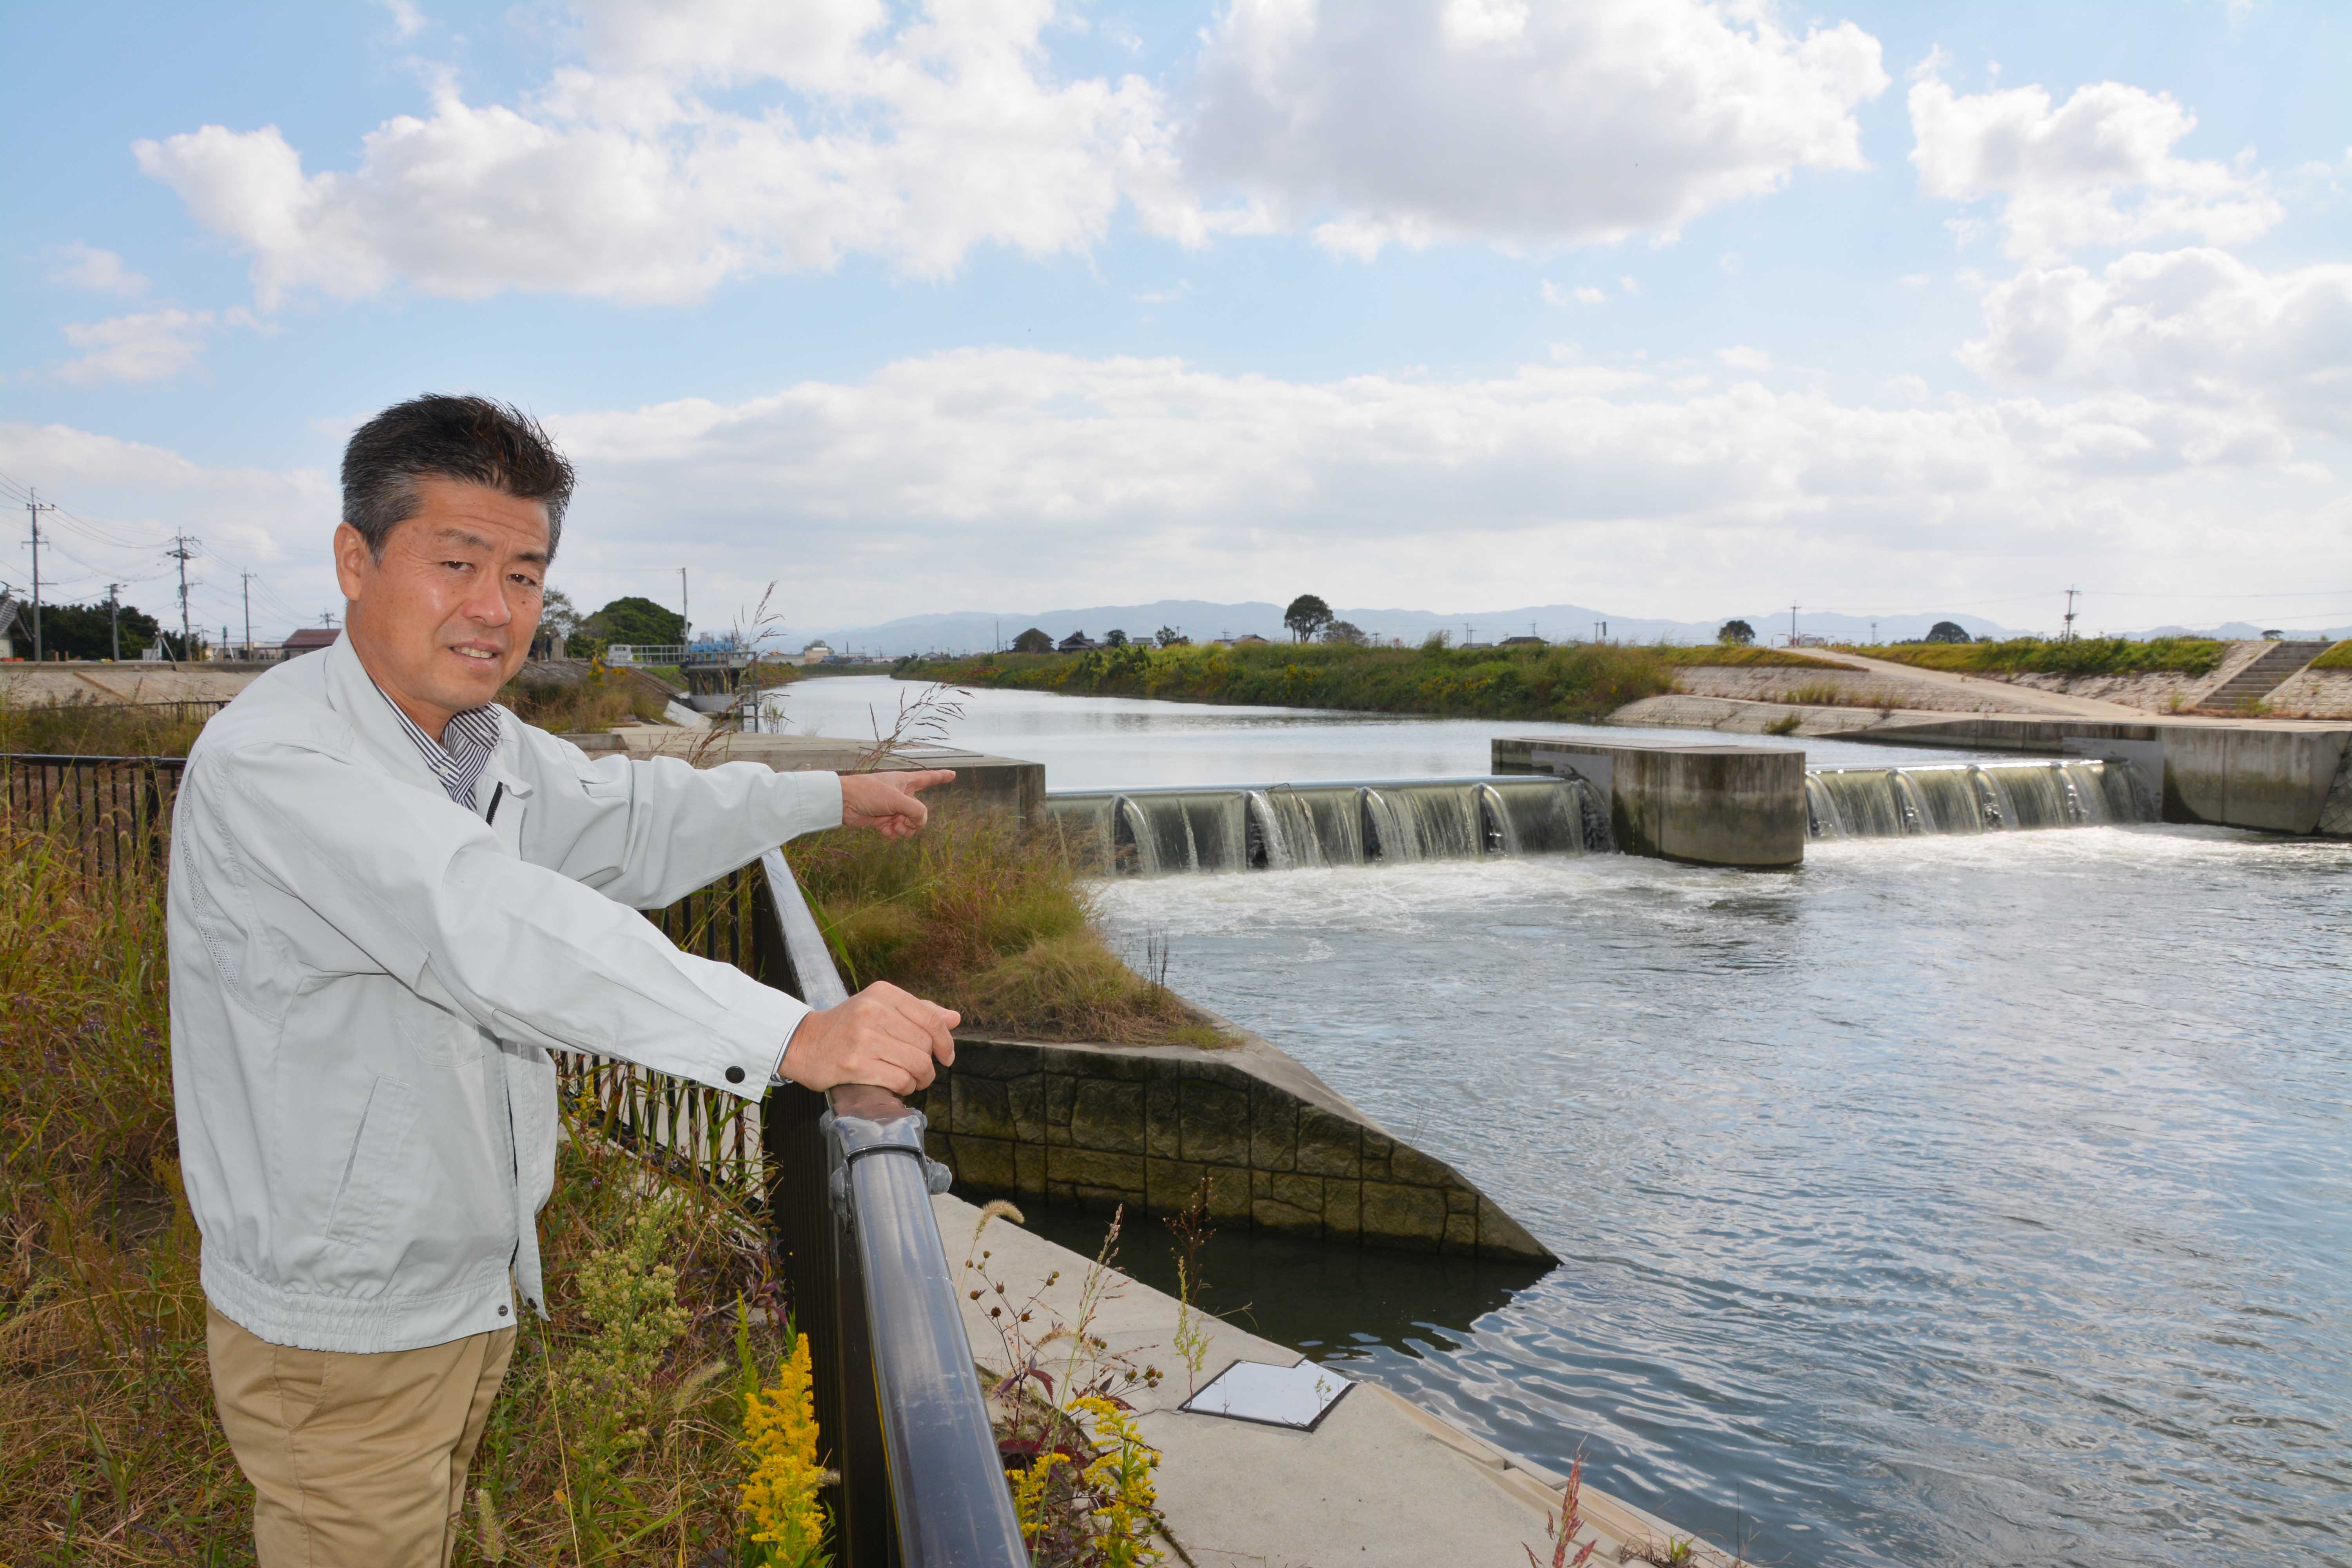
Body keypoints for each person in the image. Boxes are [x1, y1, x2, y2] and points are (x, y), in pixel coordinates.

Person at [168, 394, 960, 1566]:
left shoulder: (471, 744)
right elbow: (490, 924)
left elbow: (631, 813)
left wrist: (827, 796)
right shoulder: (281, 764)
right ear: (355, 559)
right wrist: (796, 1038)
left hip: (456, 1287)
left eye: (527, 575)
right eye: (457, 562)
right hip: (344, 1327)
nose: (497, 610)